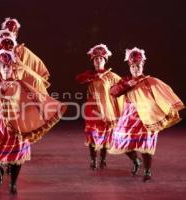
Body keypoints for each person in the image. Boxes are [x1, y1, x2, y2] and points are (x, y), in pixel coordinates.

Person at [0, 50, 66, 194]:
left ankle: (13, 183)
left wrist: (44, 110)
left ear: (12, 66)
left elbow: (34, 97)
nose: (5, 68)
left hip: (17, 124)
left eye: (7, 66)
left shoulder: (20, 84)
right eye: (2, 65)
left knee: (16, 154)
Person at [109, 47, 185, 182]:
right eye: (132, 66)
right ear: (129, 67)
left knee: (145, 144)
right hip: (129, 116)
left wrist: (167, 109)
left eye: (137, 66)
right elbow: (113, 92)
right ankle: (136, 161)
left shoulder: (150, 81)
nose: (135, 69)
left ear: (142, 66)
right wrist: (127, 84)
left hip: (147, 116)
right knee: (121, 141)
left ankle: (147, 170)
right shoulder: (125, 81)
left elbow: (163, 94)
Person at [76, 44, 124, 170]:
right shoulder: (89, 74)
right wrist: (94, 76)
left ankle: (103, 159)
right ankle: (93, 160)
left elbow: (122, 87)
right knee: (92, 134)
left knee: (105, 135)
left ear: (105, 60)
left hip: (107, 108)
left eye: (101, 59)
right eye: (96, 59)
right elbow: (79, 79)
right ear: (93, 61)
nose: (98, 61)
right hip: (92, 109)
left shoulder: (111, 76)